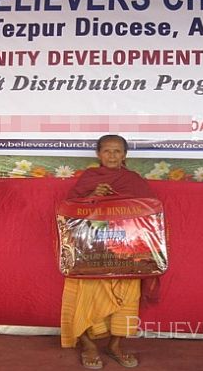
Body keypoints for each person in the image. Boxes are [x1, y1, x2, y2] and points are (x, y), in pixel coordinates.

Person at [61, 134, 157, 369]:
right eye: (107, 151)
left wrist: (120, 201)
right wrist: (94, 197)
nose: (112, 156)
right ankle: (89, 346)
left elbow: (149, 213)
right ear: (98, 154)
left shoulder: (133, 180)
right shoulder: (89, 178)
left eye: (117, 151)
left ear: (125, 155)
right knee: (85, 293)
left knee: (127, 294)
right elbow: (70, 211)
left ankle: (115, 345)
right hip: (92, 250)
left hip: (125, 249)